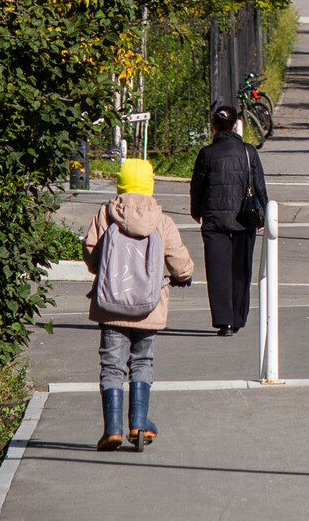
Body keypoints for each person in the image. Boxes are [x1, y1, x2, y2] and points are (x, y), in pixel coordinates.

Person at [85, 158, 193, 452]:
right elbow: (178, 260)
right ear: (150, 183)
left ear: (119, 183)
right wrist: (184, 275)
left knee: (112, 365)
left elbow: (91, 255)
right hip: (148, 306)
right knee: (142, 362)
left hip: (111, 306)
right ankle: (139, 422)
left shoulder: (105, 215)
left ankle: (113, 430)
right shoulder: (160, 219)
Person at [190, 105, 267, 337]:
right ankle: (238, 317)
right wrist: (263, 214)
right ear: (236, 126)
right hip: (244, 218)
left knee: (218, 270)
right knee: (241, 269)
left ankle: (224, 323)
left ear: (214, 126)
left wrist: (197, 211)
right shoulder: (248, 152)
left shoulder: (206, 154)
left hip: (214, 220)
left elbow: (197, 186)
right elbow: (260, 186)